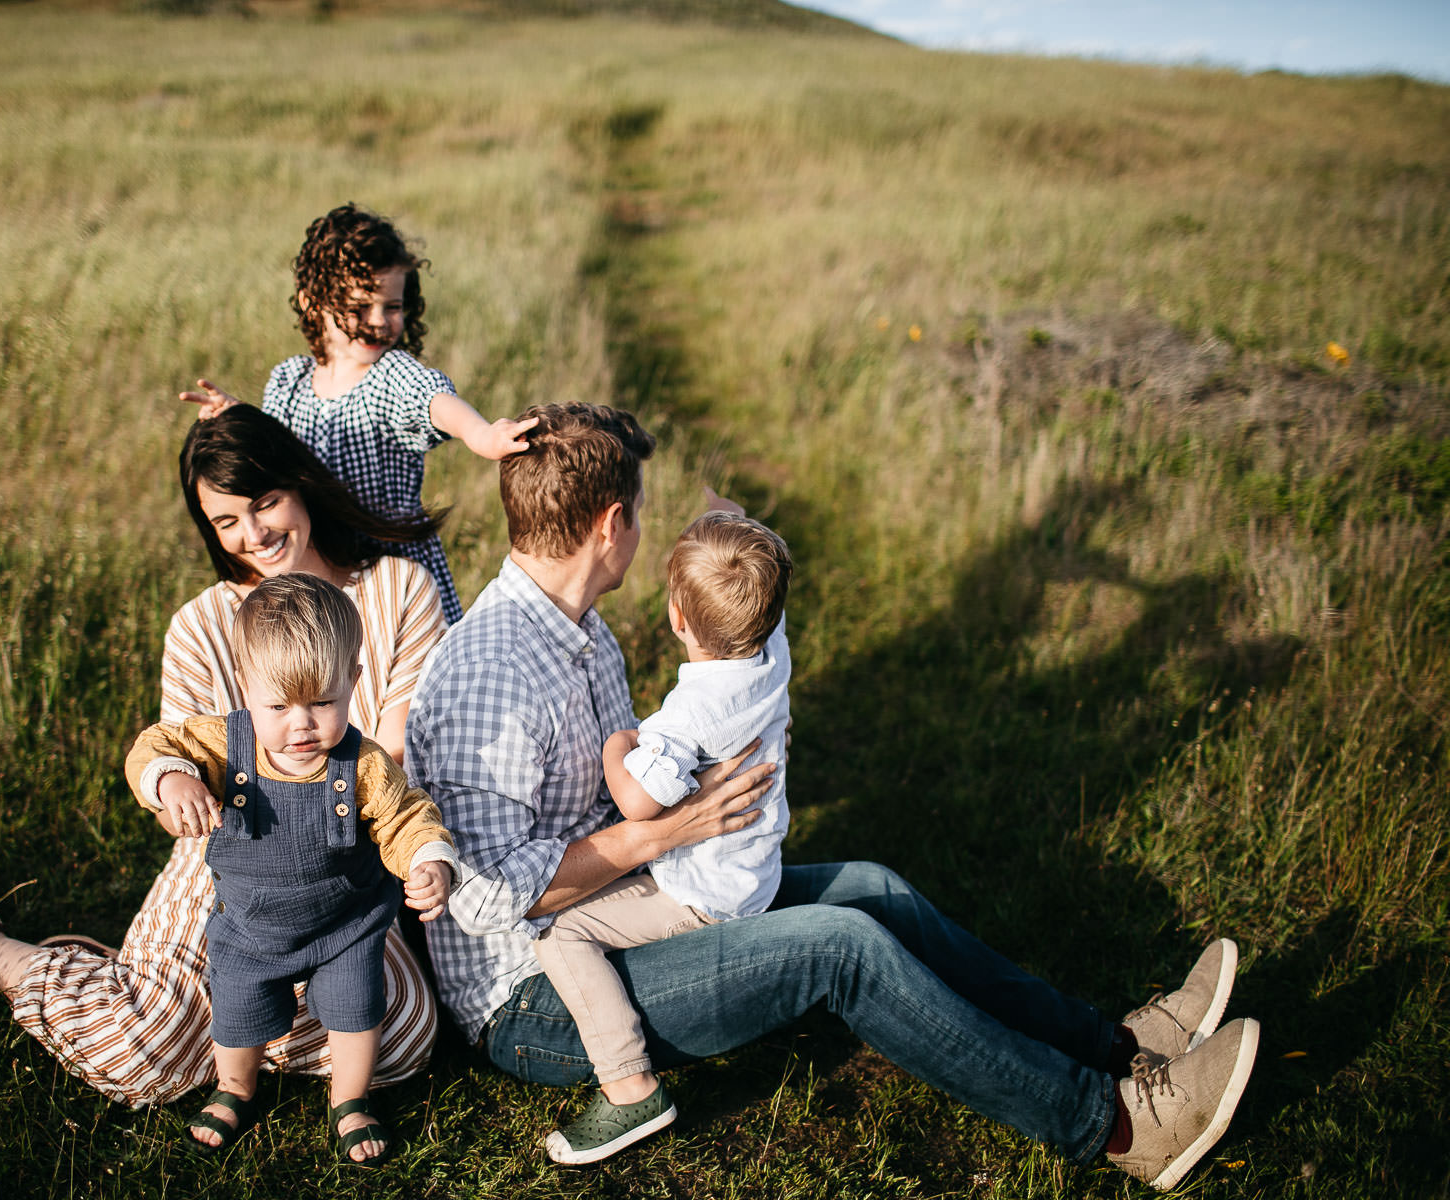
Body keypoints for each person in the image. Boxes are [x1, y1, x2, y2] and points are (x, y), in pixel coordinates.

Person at [406, 402, 1258, 1191]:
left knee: (872, 887)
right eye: (642, 508)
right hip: (535, 999)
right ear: (612, 523)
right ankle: (1116, 1125)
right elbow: (486, 900)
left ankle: (1120, 1044)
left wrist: (684, 814)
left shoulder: (581, 632)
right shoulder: (493, 671)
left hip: (626, 903)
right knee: (839, 946)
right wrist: (661, 837)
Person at [0, 405, 450, 1131]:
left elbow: (396, 759)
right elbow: (167, 769)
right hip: (228, 859)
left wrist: (418, 855)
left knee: (406, 1040)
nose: (255, 534)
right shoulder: (202, 625)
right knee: (137, 1056)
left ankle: (198, 1008)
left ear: (300, 484)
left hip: (348, 868)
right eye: (226, 522)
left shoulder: (396, 591)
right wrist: (179, 787)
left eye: (266, 502)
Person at [126, 573, 456, 1164]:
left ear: (353, 683)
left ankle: (349, 1100)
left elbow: (405, 817)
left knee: (358, 1007)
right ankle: (235, 1088)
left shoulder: (363, 764)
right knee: (237, 1012)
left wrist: (427, 859)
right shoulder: (221, 745)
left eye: (323, 703)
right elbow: (154, 744)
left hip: (344, 926)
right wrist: (171, 777)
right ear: (245, 687)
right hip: (251, 927)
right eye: (277, 705)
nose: (301, 723)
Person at [530, 509, 794, 1163]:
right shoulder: (772, 653)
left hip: (702, 893)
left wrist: (620, 744)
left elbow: (638, 799)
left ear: (677, 617)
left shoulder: (691, 712)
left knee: (560, 930)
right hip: (754, 872)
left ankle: (630, 1085)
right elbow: (760, 589)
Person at [181, 202, 537, 624]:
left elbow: (434, 401)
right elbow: (273, 452)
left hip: (392, 563)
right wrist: (238, 415)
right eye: (358, 308)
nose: (378, 322)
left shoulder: (389, 375)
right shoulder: (289, 381)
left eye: (392, 307)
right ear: (312, 304)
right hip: (324, 564)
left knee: (418, 676)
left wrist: (479, 434)